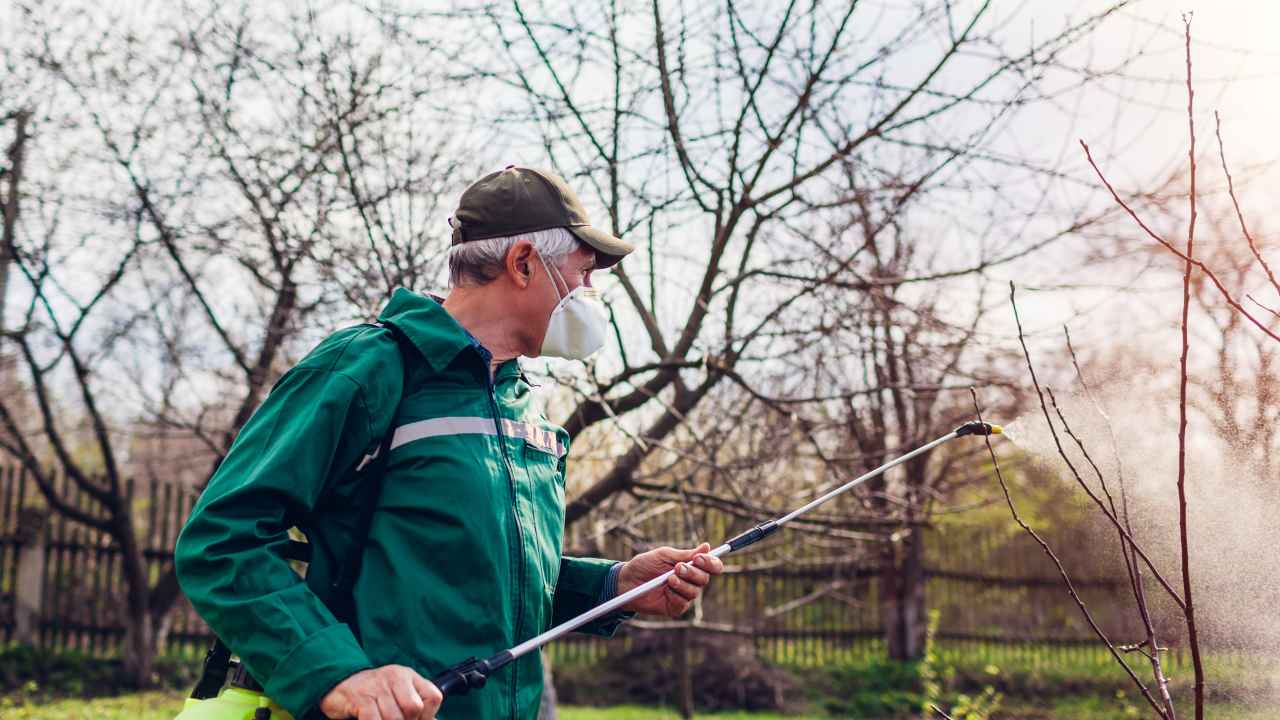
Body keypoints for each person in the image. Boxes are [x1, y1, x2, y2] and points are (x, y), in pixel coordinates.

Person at [175, 166, 724, 720]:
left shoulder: (522, 403)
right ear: (524, 263)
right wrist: (338, 674)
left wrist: (613, 586)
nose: (590, 293)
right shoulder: (368, 368)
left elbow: (474, 580)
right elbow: (222, 540)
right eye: (584, 272)